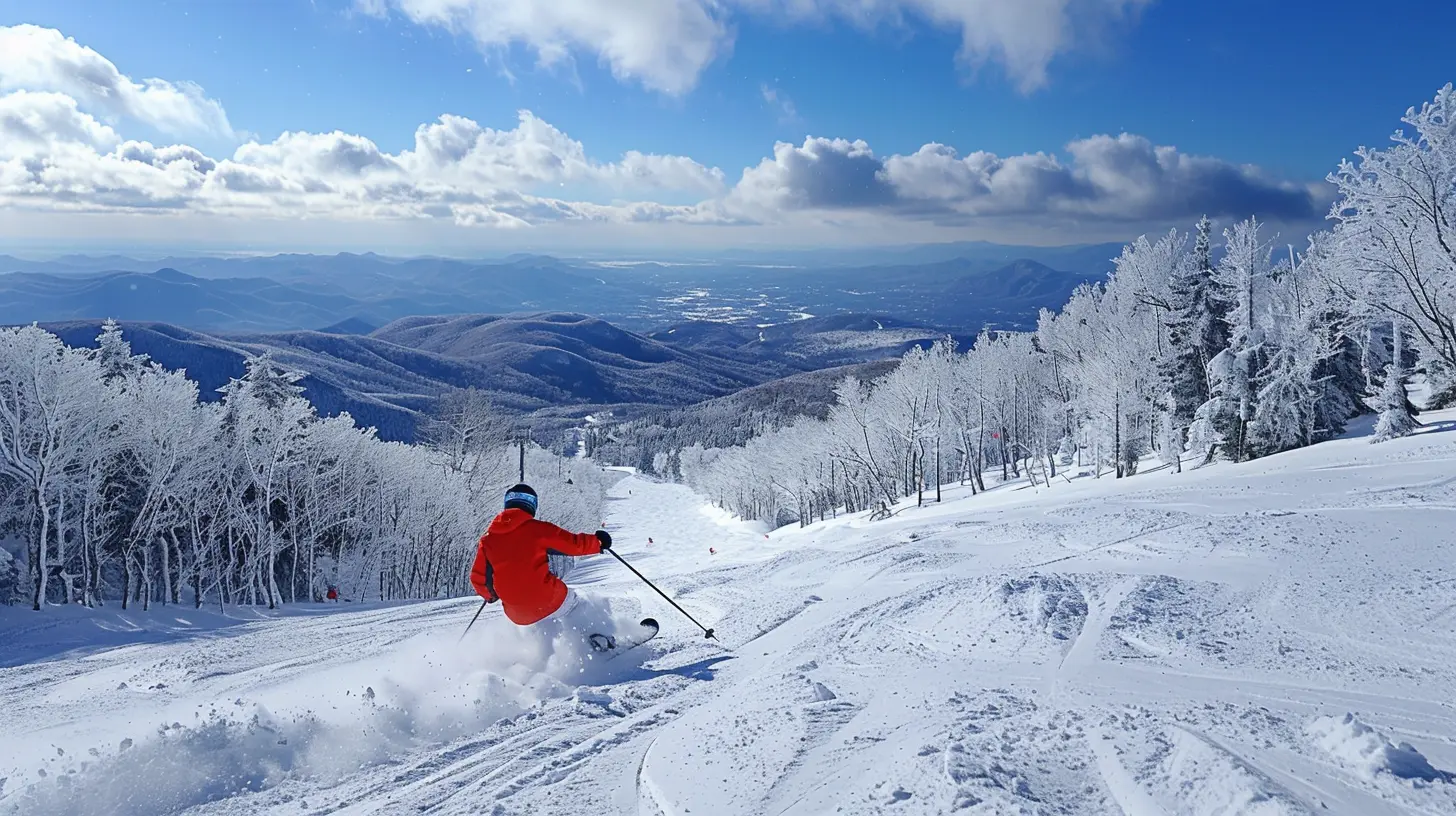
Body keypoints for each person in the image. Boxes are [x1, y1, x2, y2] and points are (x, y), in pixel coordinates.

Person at [470, 483, 612, 626]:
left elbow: (478, 578)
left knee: (540, 620)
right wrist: (598, 542)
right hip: (548, 598)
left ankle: (546, 646)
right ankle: (598, 638)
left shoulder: (488, 540)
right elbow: (574, 545)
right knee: (575, 605)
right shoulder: (540, 530)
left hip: (516, 614)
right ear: (532, 505)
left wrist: (490, 596)